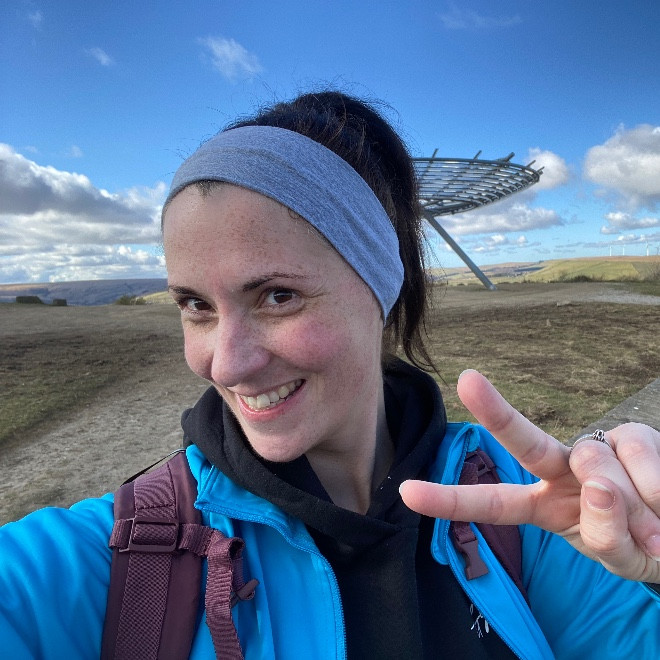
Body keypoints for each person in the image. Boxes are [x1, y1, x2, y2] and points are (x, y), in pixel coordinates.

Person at [0, 90, 658, 659]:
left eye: (278, 295)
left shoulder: (519, 501)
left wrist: (650, 560)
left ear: (380, 289)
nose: (224, 363)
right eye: (196, 306)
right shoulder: (127, 552)